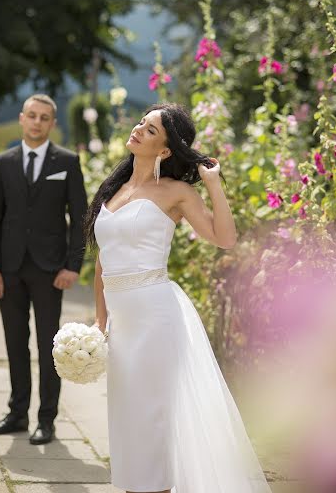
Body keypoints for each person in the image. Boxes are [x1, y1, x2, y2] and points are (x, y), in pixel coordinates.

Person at [84, 102, 272, 492]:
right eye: (141, 123)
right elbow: (104, 262)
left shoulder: (177, 192)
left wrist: (215, 183)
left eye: (150, 130)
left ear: (166, 150)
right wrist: (100, 322)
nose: (138, 129)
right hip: (122, 325)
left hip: (156, 318)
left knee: (154, 421)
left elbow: (225, 238)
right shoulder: (114, 190)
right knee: (128, 418)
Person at [0, 93, 88, 445]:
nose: (37, 122)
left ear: (52, 123)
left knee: (48, 346)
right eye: (32, 115)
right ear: (22, 118)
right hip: (9, 269)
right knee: (15, 343)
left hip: (50, 270)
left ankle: (47, 420)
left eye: (45, 117)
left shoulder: (68, 162)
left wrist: (73, 266)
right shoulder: (3, 162)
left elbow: (80, 219)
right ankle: (16, 414)